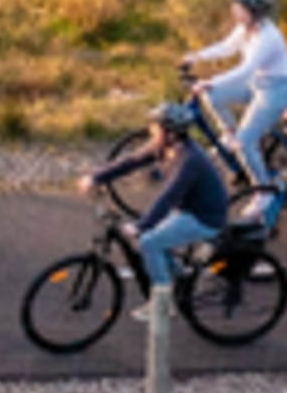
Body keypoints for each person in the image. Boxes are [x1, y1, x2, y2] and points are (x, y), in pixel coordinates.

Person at [85, 100, 230, 313]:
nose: (151, 131)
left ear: (170, 133)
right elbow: (131, 161)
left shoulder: (190, 160)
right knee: (152, 237)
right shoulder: (163, 146)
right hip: (187, 209)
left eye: (156, 128)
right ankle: (178, 275)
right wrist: (96, 177)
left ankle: (163, 303)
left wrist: (141, 225)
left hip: (205, 217)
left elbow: (168, 197)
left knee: (149, 242)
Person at [181, 0, 287, 215]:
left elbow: (246, 69)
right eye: (235, 8)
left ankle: (263, 192)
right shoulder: (245, 28)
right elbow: (227, 47)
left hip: (276, 91)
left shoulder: (268, 36)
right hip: (256, 84)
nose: (235, 13)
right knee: (211, 95)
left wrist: (211, 80)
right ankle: (229, 131)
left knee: (244, 143)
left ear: (254, 12)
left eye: (240, 9)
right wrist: (196, 56)